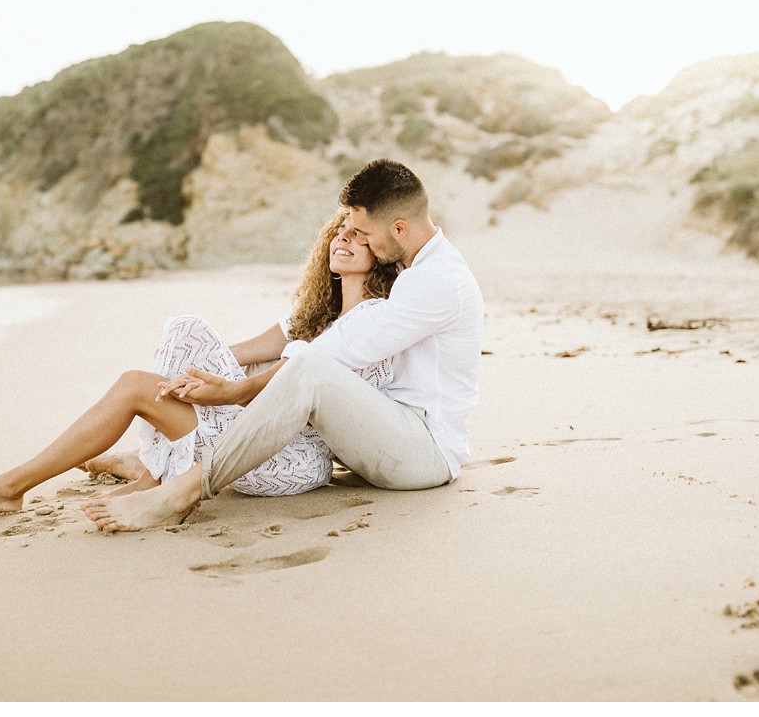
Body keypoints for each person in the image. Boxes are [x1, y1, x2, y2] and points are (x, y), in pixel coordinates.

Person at [83, 159, 483, 533]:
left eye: (364, 234)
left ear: (399, 229)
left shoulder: (438, 282)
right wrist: (220, 361)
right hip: (383, 430)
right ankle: (160, 462)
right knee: (276, 360)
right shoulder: (411, 263)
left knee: (308, 367)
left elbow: (336, 349)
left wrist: (235, 391)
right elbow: (299, 332)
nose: (358, 240)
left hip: (423, 450)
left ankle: (184, 488)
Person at [0, 212, 399, 513]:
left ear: (378, 256)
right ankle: (148, 469)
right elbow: (235, 354)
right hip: (256, 441)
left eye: (358, 237)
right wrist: (190, 375)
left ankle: (20, 486)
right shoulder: (310, 319)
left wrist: (213, 386)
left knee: (139, 383)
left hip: (294, 460)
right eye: (340, 232)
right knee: (183, 334)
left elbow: (314, 387)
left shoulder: (375, 320)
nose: (344, 238)